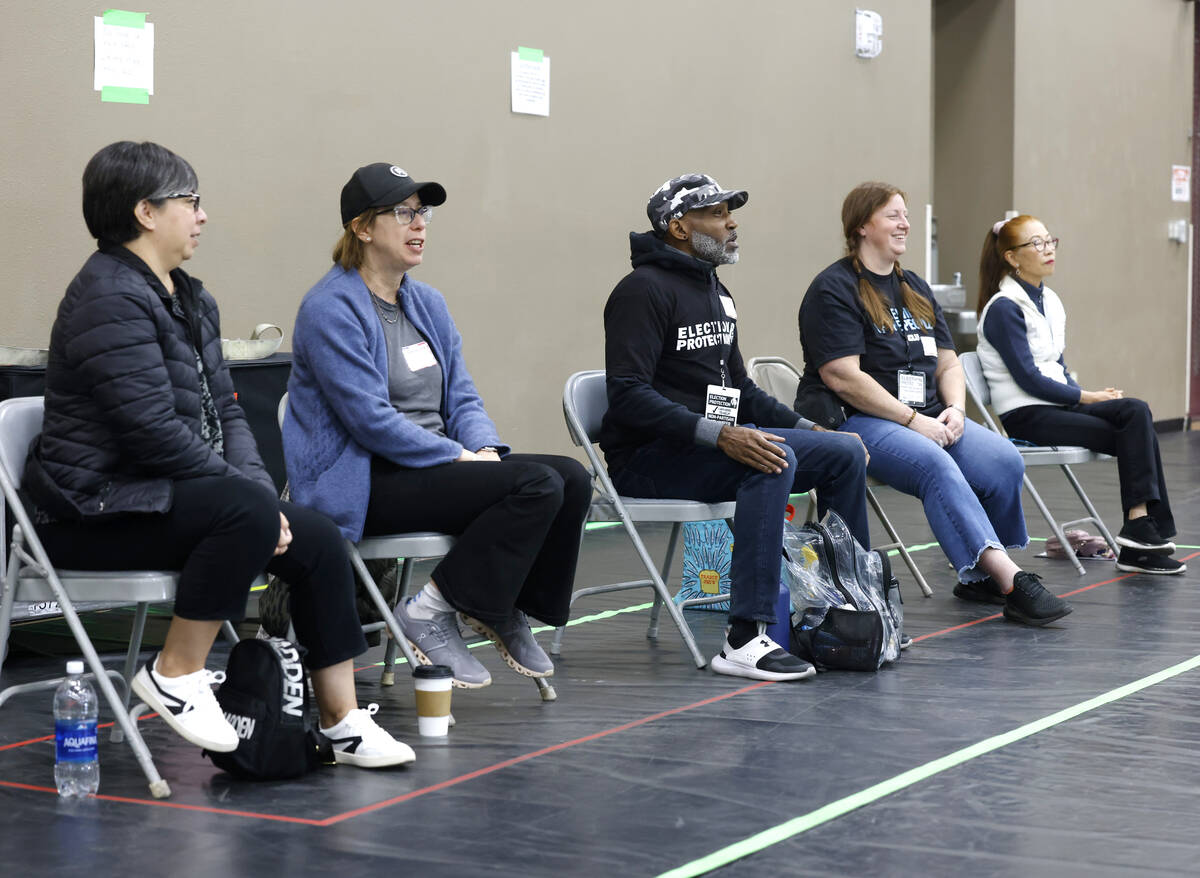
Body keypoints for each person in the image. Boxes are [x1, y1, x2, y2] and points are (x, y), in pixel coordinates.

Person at [23, 141, 412, 768]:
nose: (202, 216)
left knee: (314, 534)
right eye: (191, 202)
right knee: (246, 512)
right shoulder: (106, 296)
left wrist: (257, 493)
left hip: (165, 499)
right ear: (146, 212)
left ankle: (342, 720)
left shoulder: (191, 297)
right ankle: (176, 672)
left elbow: (227, 412)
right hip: (89, 514)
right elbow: (150, 431)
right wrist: (250, 501)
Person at [283, 163, 590, 690]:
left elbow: (462, 396)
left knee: (572, 477)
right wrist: (456, 458)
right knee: (535, 486)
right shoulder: (329, 308)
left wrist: (484, 447)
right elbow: (370, 421)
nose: (419, 224)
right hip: (366, 480)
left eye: (422, 212)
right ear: (361, 227)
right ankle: (430, 612)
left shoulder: (427, 302)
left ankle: (498, 604)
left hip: (434, 468)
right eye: (403, 213)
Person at [600, 173, 872, 682]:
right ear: (679, 226)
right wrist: (721, 435)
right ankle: (745, 637)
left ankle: (845, 610)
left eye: (730, 212)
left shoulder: (715, 290)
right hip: (650, 458)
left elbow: (742, 389)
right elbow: (629, 396)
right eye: (718, 213)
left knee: (843, 454)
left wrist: (809, 427)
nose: (732, 222)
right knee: (772, 459)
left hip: (707, 449)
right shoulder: (641, 291)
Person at [797, 181, 1073, 626]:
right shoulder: (834, 288)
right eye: (893, 216)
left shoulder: (915, 287)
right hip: (861, 423)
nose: (905, 224)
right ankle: (1009, 580)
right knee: (935, 464)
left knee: (1003, 460)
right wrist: (912, 420)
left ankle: (980, 578)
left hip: (927, 416)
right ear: (862, 226)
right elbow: (842, 377)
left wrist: (956, 410)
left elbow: (948, 363)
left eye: (906, 215)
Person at [976, 215, 1183, 575]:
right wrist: (1087, 397)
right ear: (1012, 257)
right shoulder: (1002, 308)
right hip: (1027, 415)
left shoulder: (1050, 300)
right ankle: (1143, 536)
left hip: (1057, 405)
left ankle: (1140, 526)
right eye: (1036, 244)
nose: (1048, 249)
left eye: (1049, 241)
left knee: (1135, 412)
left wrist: (1088, 393)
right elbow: (1029, 380)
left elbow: (1056, 364)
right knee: (1134, 431)